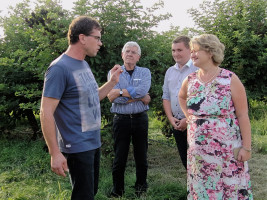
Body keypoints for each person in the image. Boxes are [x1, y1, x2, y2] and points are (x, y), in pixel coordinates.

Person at [40, 16, 122, 200]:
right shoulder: (59, 68)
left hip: (92, 142)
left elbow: (93, 98)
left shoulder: (83, 64)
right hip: (76, 145)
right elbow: (46, 112)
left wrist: (112, 83)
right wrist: (55, 152)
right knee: (83, 196)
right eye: (98, 38)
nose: (100, 43)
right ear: (83, 38)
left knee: (89, 193)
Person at [179, 34, 253, 199]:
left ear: (210, 52)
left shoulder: (229, 79)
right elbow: (181, 97)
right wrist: (189, 116)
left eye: (196, 51)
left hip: (226, 151)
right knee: (202, 190)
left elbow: (242, 115)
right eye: (191, 51)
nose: (192, 55)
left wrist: (246, 148)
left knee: (229, 190)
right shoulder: (190, 79)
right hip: (198, 152)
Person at [107, 41, 151, 197]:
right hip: (121, 120)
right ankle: (117, 191)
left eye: (133, 52)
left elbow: (143, 90)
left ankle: (141, 189)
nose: (130, 54)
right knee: (120, 156)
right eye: (127, 51)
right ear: (122, 54)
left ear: (138, 57)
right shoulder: (114, 73)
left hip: (140, 119)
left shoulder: (145, 72)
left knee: (141, 156)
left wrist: (119, 92)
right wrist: (138, 97)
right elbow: (113, 99)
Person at [162, 36, 198, 169]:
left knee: (199, 161)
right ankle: (191, 189)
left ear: (190, 50)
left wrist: (188, 120)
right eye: (173, 50)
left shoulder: (198, 70)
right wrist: (171, 119)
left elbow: (202, 99)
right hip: (177, 123)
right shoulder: (170, 72)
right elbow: (166, 96)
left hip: (195, 123)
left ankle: (199, 189)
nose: (176, 54)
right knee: (185, 161)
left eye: (179, 50)